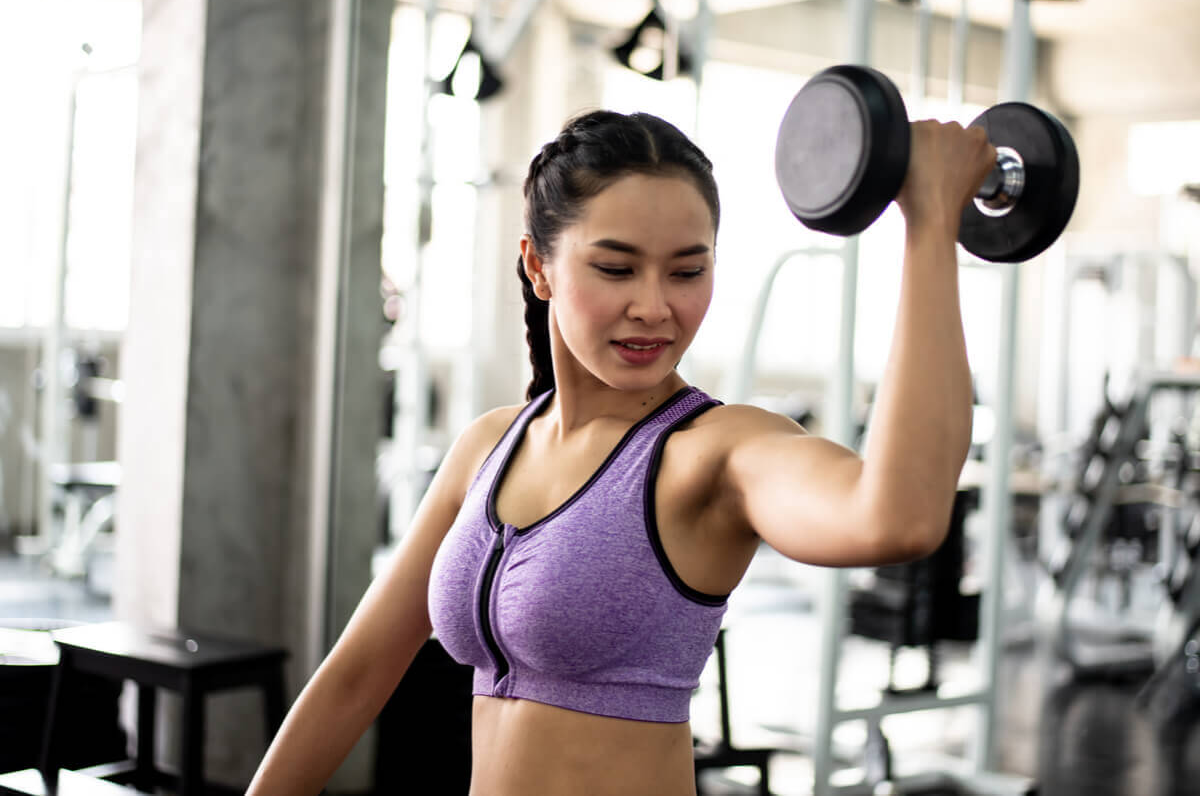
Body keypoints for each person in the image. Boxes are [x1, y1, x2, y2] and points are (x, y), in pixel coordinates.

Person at [247, 107, 996, 795]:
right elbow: (354, 678)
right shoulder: (488, 446)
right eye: (615, 268)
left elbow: (899, 516)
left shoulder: (713, 455)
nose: (654, 306)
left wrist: (930, 227)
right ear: (539, 266)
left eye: (687, 270)